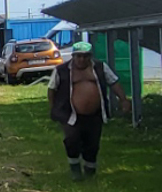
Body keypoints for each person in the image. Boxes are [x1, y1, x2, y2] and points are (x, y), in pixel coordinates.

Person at [47, 41, 130, 180]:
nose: (81, 59)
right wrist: (54, 109)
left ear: (90, 56)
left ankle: (90, 171)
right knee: (72, 140)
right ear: (73, 56)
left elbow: (114, 82)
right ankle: (75, 170)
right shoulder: (61, 70)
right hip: (70, 114)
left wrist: (123, 100)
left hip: (95, 114)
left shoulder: (99, 67)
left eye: (85, 56)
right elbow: (51, 90)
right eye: (78, 56)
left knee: (92, 144)